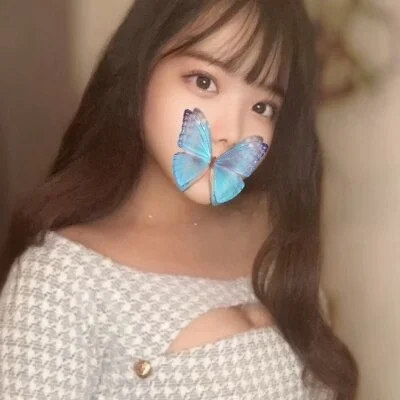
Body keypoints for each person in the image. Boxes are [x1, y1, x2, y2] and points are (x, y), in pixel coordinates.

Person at [0, 0, 358, 398]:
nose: (231, 131)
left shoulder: (275, 238)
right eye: (204, 82)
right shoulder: (61, 279)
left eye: (262, 106)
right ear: (140, 70)